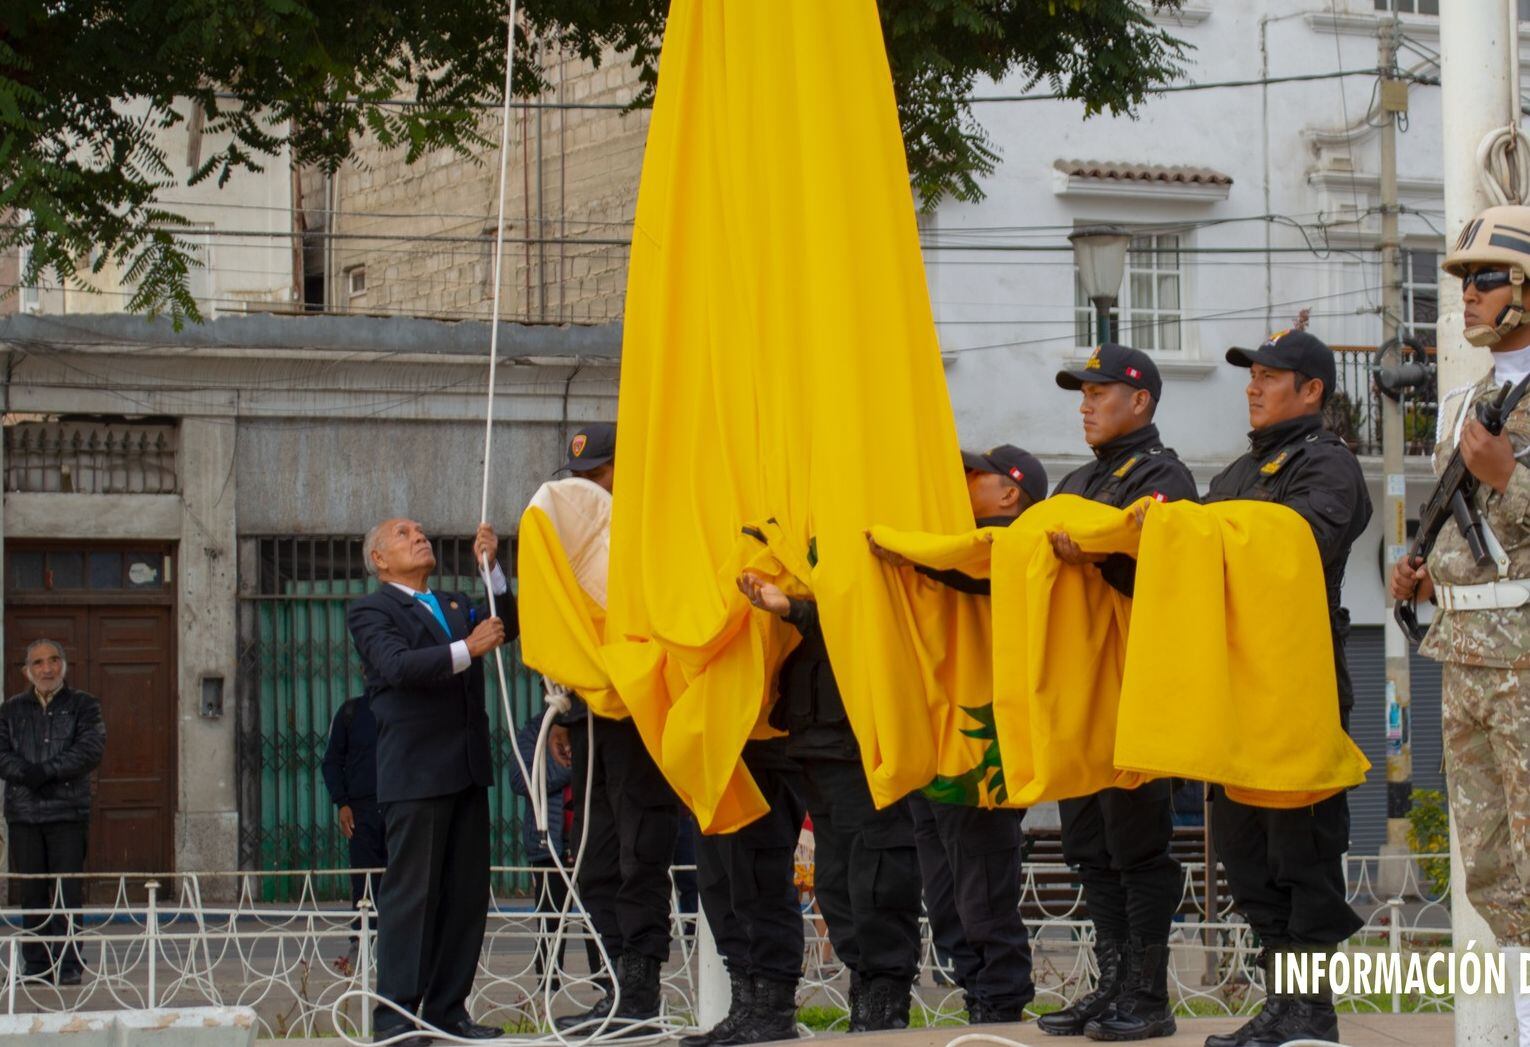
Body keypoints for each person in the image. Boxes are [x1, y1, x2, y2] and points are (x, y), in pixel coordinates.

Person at [1201, 329, 1371, 1047]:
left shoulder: (1328, 466)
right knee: (1248, 856)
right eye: (1252, 374)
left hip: (1299, 689)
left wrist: (1204, 533)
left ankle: (1311, 1008)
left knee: (1301, 855)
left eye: (1272, 375)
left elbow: (1301, 540)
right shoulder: (1239, 471)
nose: (1254, 385)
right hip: (1237, 691)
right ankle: (1283, 1002)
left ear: (1312, 391)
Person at [1390, 205, 1530, 1047]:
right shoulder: (1467, 400)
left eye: (1484, 279)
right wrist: (1421, 570)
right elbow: (1463, 531)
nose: (1467, 295)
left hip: (1526, 657)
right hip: (1467, 653)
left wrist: (1510, 476)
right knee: (1490, 866)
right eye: (1463, 281)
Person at [1035, 345, 1197, 1042]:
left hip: (1137, 688)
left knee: (1138, 844)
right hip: (1083, 693)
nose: (1086, 404)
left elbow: (1169, 576)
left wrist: (1100, 555)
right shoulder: (1078, 479)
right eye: (1082, 393)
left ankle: (1147, 993)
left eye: (1099, 392)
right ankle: (1109, 986)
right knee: (1089, 846)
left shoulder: (1164, 476)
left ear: (1141, 401)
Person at [869, 444, 1047, 1026]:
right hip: (940, 742)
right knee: (945, 893)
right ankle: (978, 993)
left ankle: (1000, 1002)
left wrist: (905, 549)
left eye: (977, 475)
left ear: (1010, 492)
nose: (963, 481)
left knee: (983, 888)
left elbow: (968, 567)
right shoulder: (946, 547)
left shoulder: (1014, 544)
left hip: (984, 750)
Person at [737, 555, 923, 1033]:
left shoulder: (865, 535)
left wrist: (794, 608)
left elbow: (861, 616)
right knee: (836, 884)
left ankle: (885, 998)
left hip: (863, 740)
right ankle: (867, 989)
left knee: (877, 877)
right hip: (816, 738)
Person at [346, 518, 513, 1046]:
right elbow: (396, 666)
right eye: (402, 533)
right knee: (411, 898)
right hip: (415, 773)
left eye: (419, 530)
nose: (417, 536)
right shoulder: (372, 610)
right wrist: (467, 649)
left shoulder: (456, 602)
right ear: (379, 559)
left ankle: (447, 1009)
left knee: (464, 897)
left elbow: (505, 624)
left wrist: (495, 573)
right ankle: (397, 1018)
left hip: (465, 769)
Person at [541, 424, 684, 1037]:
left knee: (638, 855)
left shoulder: (654, 531)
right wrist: (564, 707)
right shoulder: (580, 537)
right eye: (582, 478)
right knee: (596, 863)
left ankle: (642, 994)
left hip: (641, 713)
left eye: (599, 476)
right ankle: (616, 992)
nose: (589, 489)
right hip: (593, 715)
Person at [681, 730, 805, 1047]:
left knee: (759, 881)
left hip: (761, 738)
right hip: (712, 747)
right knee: (719, 885)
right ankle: (747, 1006)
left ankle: (773, 1012)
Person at [0, 639, 106, 986]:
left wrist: (48, 771)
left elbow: (89, 750)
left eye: (54, 660)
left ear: (64, 664)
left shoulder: (84, 706)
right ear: (26, 670)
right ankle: (35, 965)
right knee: (30, 892)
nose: (47, 668)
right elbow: (2, 754)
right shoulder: (10, 710)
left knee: (67, 891)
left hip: (67, 813)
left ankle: (69, 963)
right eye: (39, 662)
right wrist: (26, 773)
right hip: (24, 814)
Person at [508, 715, 599, 991]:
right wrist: (572, 768)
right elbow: (521, 779)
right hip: (549, 844)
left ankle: (605, 983)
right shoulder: (535, 730)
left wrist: (575, 763)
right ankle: (548, 986)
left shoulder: (593, 724)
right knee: (550, 920)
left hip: (592, 840)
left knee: (598, 917)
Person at [320, 690, 386, 974]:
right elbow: (331, 762)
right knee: (364, 883)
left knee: (404, 881)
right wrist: (342, 803)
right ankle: (360, 945)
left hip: (402, 808)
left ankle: (397, 948)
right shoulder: (350, 713)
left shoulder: (404, 707)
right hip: (362, 812)